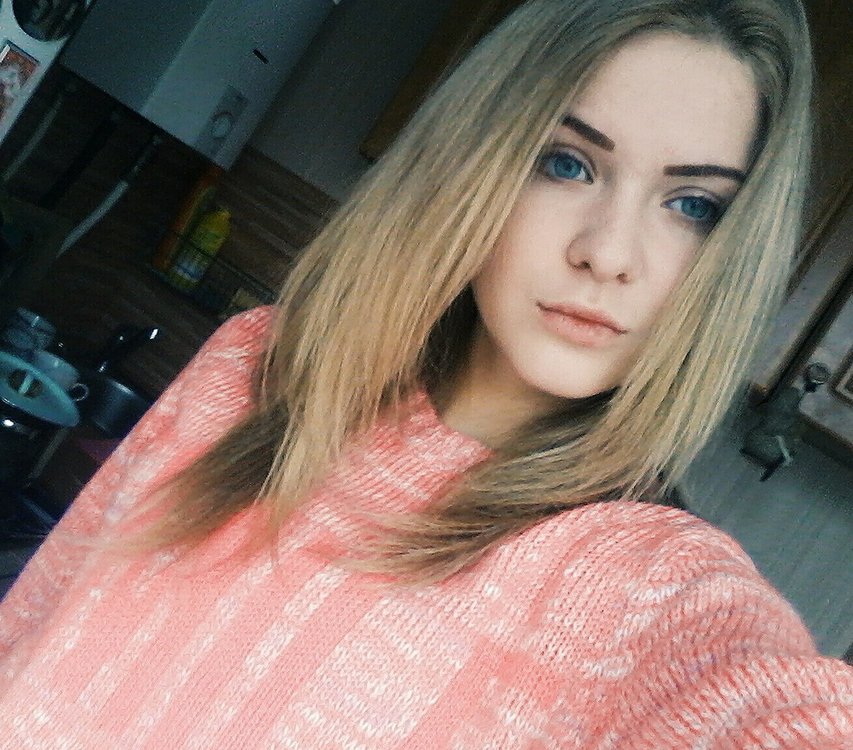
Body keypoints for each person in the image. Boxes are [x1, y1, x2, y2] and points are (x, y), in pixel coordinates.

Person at [1, 0, 852, 746]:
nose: (607, 253)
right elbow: (29, 627)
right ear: (471, 160)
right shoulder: (254, 362)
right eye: (566, 162)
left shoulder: (653, 595)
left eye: (692, 205)